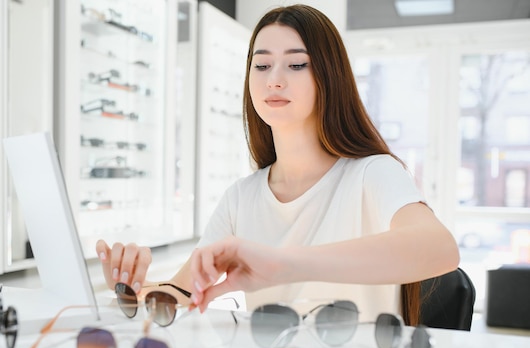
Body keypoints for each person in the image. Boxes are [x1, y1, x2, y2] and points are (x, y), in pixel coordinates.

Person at [96, 4, 459, 325]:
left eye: (297, 64)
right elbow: (184, 292)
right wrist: (131, 287)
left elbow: (441, 249)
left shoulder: (372, 173)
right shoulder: (241, 197)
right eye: (262, 64)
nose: (274, 79)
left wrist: (282, 264)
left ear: (329, 77)